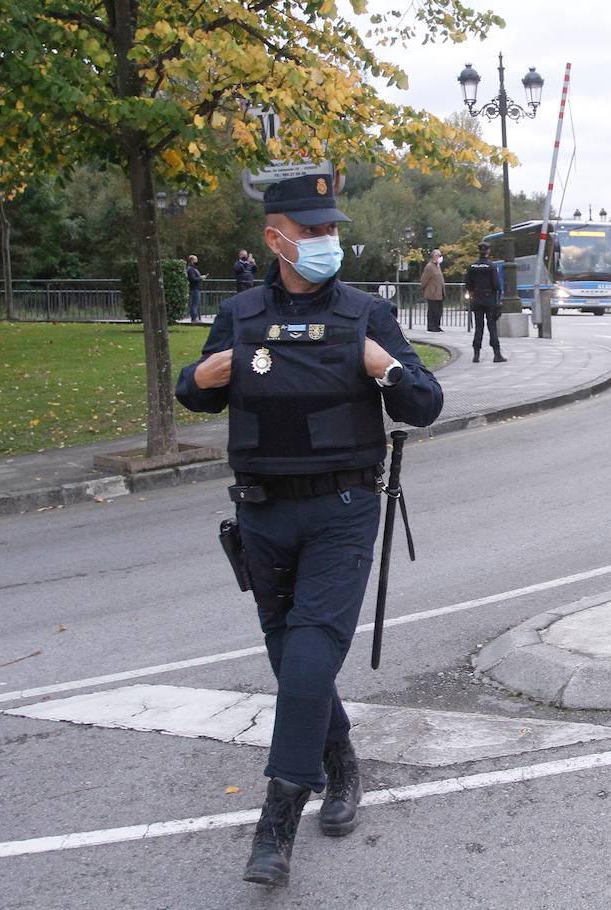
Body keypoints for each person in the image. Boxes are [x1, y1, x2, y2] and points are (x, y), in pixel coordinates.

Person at [174, 174, 443, 888]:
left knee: (306, 658)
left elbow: (425, 404)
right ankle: (342, 761)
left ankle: (277, 821)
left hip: (343, 513)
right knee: (292, 662)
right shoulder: (240, 313)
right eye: (312, 230)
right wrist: (204, 375)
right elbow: (192, 392)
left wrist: (386, 371)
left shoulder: (366, 315)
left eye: (331, 229)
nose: (327, 241)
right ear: (276, 237)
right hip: (263, 513)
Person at [464, 241, 506, 363]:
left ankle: (476, 355)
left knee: (479, 327)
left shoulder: (472, 267)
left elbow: (468, 285)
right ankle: (497, 354)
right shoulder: (491, 267)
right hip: (489, 300)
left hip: (477, 300)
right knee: (492, 327)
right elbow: (497, 285)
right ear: (488, 251)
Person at [419, 248, 445, 332]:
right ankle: (431, 326)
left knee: (438, 311)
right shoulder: (429, 266)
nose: (440, 257)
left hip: (439, 293)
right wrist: (425, 288)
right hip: (432, 293)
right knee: (432, 311)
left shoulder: (438, 266)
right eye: (438, 255)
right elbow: (424, 280)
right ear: (434, 256)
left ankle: (437, 325)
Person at [186, 255, 205, 323]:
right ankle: (194, 318)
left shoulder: (195, 269)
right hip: (194, 289)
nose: (197, 261)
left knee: (196, 304)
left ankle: (195, 318)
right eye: (195, 260)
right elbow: (192, 279)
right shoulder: (190, 269)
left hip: (197, 288)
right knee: (194, 304)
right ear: (192, 261)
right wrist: (200, 278)